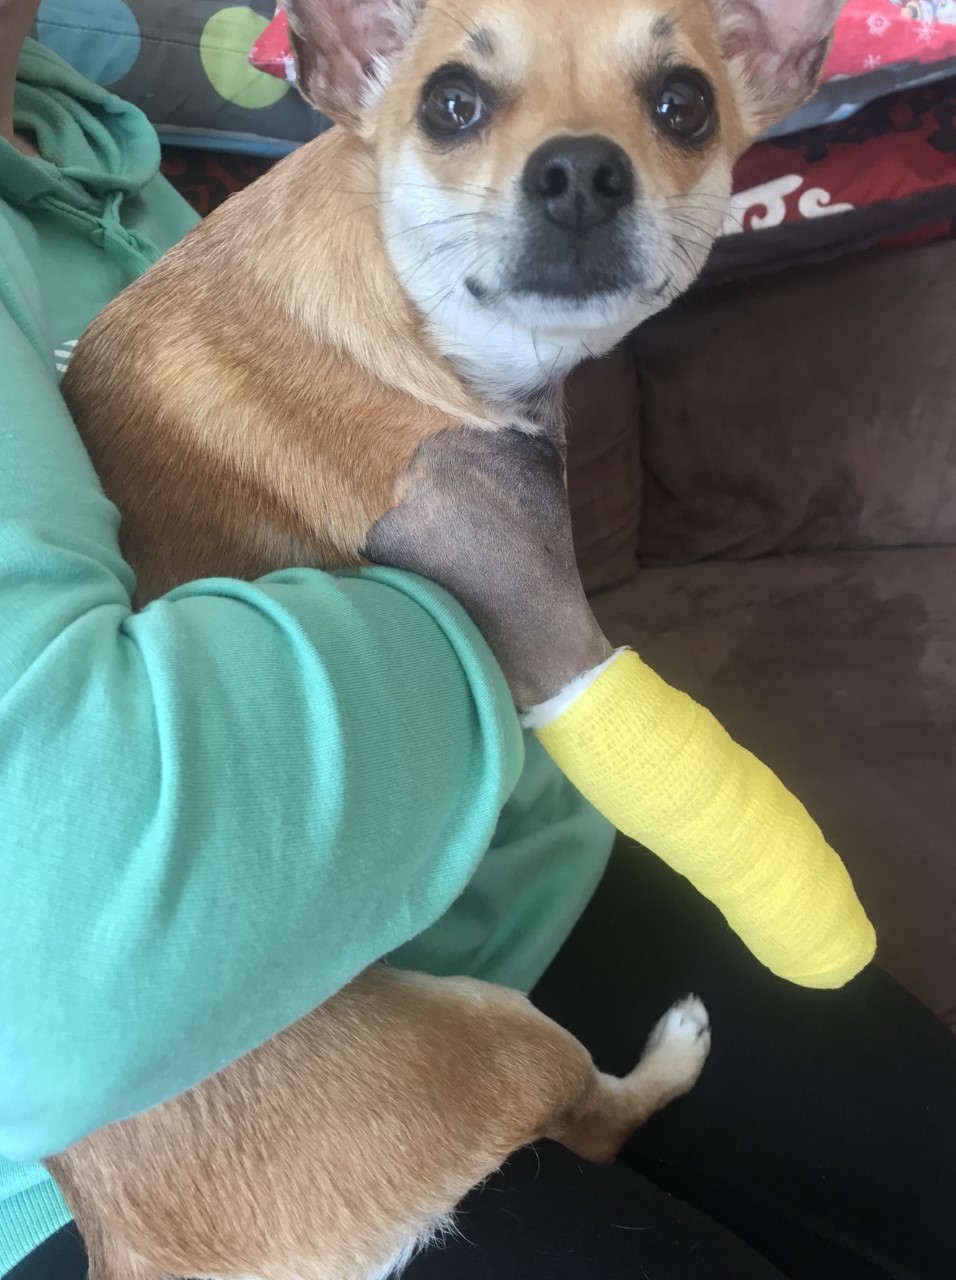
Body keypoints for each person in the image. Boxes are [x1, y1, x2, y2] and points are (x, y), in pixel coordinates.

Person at [1, 7, 954, 1278]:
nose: (576, 162)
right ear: (352, 57)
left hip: (510, 877)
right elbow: (60, 962)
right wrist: (507, 614)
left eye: (668, 109)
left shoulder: (94, 140)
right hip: (199, 1087)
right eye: (461, 106)